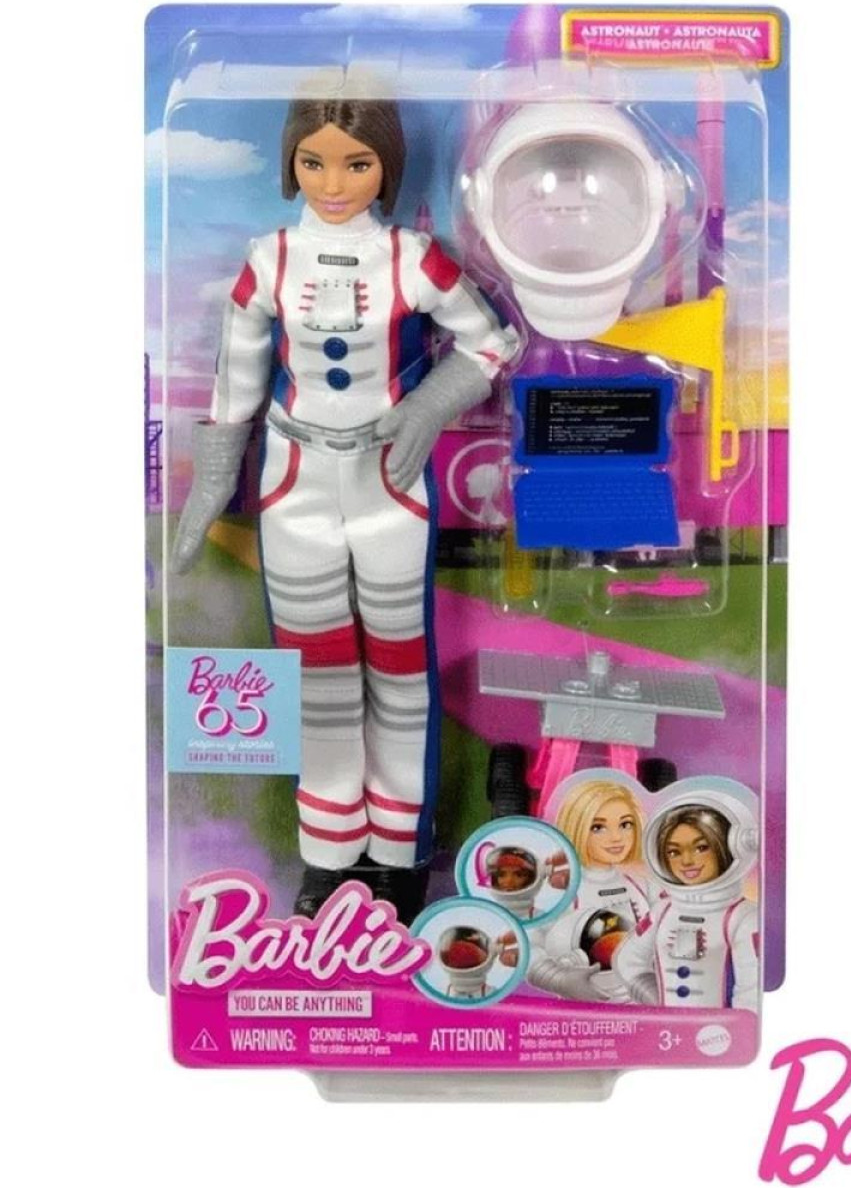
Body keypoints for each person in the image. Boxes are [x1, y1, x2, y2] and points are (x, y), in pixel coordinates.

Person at [170, 98, 519, 922]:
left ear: (385, 168)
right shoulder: (270, 261)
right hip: (294, 486)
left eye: (356, 164)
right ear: (291, 164)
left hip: (389, 482)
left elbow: (492, 341)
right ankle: (329, 855)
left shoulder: (413, 259)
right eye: (314, 162)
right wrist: (213, 479)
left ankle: (398, 855)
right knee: (318, 676)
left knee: (400, 675)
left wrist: (429, 405)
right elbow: (237, 374)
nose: (333, 183)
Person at [614, 791, 759, 1011]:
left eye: (701, 848)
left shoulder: (743, 917)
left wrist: (730, 1026)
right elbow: (627, 961)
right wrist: (654, 997)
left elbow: (751, 993)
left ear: (727, 848)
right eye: (674, 852)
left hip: (718, 1029)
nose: (687, 861)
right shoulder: (663, 911)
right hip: (666, 1026)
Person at [527, 778, 653, 1001]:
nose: (616, 837)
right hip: (583, 1010)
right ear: (577, 826)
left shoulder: (640, 881)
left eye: (625, 824)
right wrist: (557, 978)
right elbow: (524, 943)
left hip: (641, 1002)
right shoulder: (560, 887)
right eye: (598, 827)